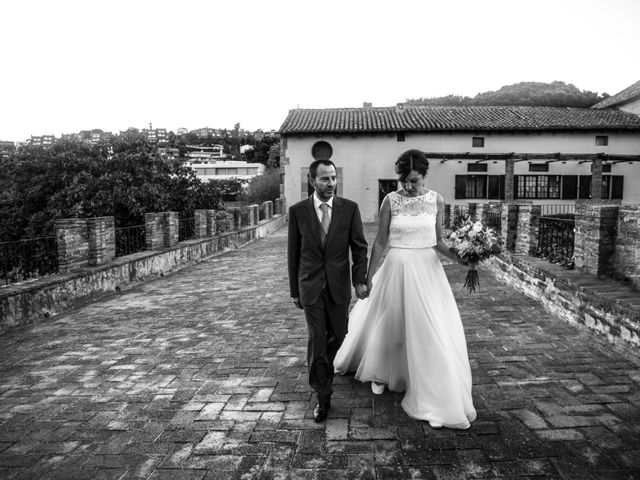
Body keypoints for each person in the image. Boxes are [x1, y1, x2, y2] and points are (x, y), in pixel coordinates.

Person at [334, 149, 476, 430]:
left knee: (428, 327)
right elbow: (380, 242)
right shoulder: (391, 200)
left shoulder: (437, 200)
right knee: (392, 320)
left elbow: (439, 241)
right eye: (404, 181)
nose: (408, 186)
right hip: (397, 265)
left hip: (427, 269)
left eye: (414, 180)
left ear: (424, 175)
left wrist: (463, 257)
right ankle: (382, 372)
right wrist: (368, 276)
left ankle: (431, 386)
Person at [287, 159, 369, 423]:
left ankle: (323, 369)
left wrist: (359, 280)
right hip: (310, 287)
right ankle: (323, 395)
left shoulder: (349, 209)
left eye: (333, 178)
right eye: (324, 179)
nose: (330, 183)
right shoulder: (298, 211)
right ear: (312, 181)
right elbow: (293, 255)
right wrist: (294, 291)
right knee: (317, 340)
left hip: (338, 287)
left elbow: (359, 248)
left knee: (339, 335)